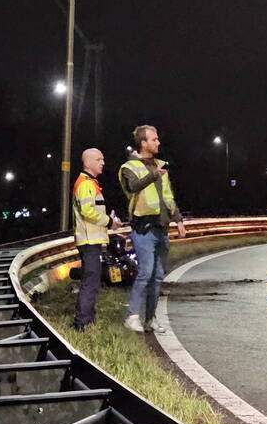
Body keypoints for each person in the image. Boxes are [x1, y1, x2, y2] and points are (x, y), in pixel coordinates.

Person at [119, 125, 186, 333]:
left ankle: (151, 318)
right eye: (154, 139)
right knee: (145, 273)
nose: (158, 142)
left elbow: (167, 196)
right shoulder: (129, 167)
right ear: (143, 143)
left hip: (161, 227)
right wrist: (154, 175)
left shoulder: (160, 166)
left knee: (157, 276)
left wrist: (178, 220)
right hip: (143, 228)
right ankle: (132, 316)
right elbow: (132, 187)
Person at [71, 148, 121, 331]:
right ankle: (83, 323)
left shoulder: (89, 183)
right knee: (90, 282)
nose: (103, 163)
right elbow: (87, 212)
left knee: (91, 281)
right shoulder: (85, 184)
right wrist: (109, 222)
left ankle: (87, 320)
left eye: (103, 159)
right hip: (89, 241)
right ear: (87, 163)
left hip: (92, 240)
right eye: (99, 159)